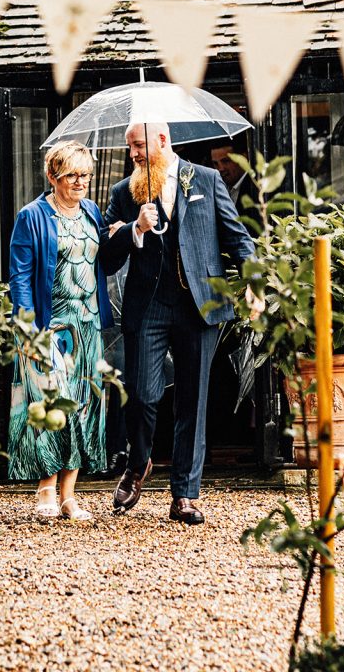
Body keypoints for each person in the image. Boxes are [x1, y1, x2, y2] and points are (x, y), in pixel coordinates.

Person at [103, 122, 263, 526]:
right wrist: (135, 229)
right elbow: (106, 257)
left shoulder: (206, 180)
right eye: (130, 148)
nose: (134, 154)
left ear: (162, 141)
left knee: (193, 399)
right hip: (149, 306)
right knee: (142, 394)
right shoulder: (124, 192)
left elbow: (236, 236)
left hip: (200, 304)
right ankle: (139, 463)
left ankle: (185, 495)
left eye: (139, 145)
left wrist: (254, 282)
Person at [8, 141, 115, 522]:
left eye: (85, 175)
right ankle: (45, 491)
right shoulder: (32, 216)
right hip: (50, 325)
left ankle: (69, 495)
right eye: (72, 175)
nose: (80, 182)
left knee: (85, 406)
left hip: (88, 324)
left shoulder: (92, 212)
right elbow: (19, 276)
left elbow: (106, 258)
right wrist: (26, 328)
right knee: (52, 404)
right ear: (53, 176)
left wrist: (124, 230)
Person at [210, 140, 256, 219]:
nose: (220, 168)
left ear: (243, 159)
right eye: (216, 163)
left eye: (225, 161)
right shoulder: (219, 188)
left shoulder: (255, 188)